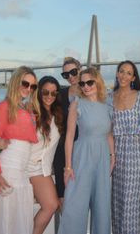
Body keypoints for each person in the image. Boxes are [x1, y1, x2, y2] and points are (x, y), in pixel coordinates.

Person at [0, 76, 63, 234]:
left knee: (52, 206)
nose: (49, 96)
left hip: (44, 168)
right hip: (27, 166)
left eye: (53, 93)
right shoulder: (29, 111)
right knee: (49, 206)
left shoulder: (58, 114)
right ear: (39, 92)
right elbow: (7, 128)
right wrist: (0, 142)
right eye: (45, 92)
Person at [58, 67, 115, 234]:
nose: (86, 87)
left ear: (98, 82)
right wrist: (68, 167)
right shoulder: (76, 104)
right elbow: (69, 137)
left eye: (90, 82)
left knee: (101, 205)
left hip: (103, 158)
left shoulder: (107, 105)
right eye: (82, 83)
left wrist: (113, 156)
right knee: (75, 205)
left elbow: (109, 134)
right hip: (82, 156)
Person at [0, 66, 39, 234]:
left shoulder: (27, 109)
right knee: (6, 223)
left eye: (33, 86)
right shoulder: (4, 107)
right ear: (16, 82)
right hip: (7, 171)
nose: (28, 89)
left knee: (18, 222)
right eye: (25, 84)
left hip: (22, 173)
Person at [110, 60, 140, 234]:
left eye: (128, 73)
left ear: (133, 77)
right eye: (121, 71)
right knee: (116, 201)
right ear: (117, 74)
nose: (124, 75)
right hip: (115, 153)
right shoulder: (109, 97)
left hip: (136, 153)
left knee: (131, 203)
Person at [53, 57, 81, 205]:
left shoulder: (90, 92)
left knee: (80, 196)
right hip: (62, 151)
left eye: (73, 72)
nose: (70, 77)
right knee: (63, 196)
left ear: (80, 69)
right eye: (66, 75)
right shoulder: (60, 95)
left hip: (82, 151)